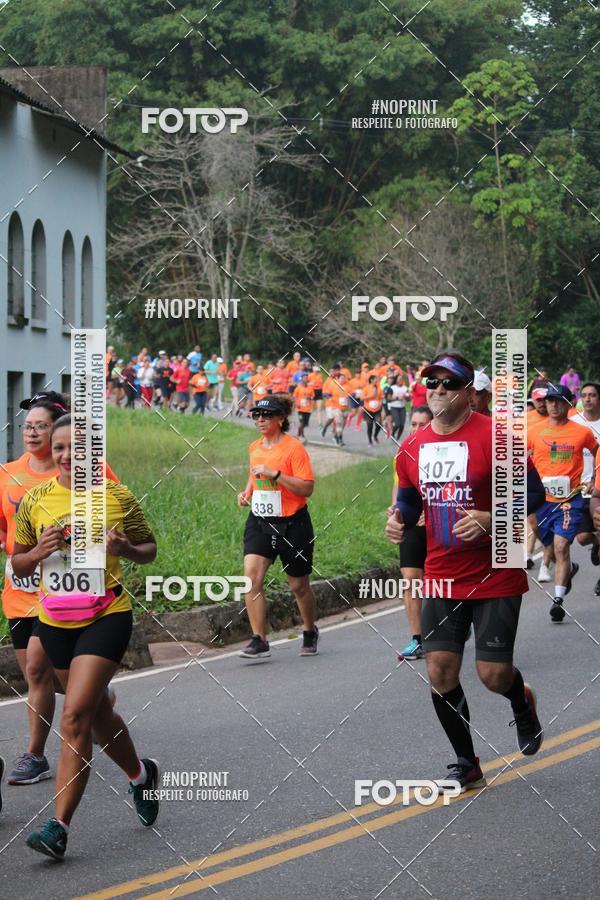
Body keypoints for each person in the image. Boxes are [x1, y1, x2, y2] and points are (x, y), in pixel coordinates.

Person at [386, 351, 546, 791]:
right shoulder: (413, 446)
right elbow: (408, 499)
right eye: (431, 383)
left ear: (469, 392)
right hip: (441, 572)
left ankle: (521, 699)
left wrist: (493, 518)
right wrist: (397, 518)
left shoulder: (498, 437)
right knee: (439, 670)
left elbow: (534, 494)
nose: (437, 390)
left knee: (493, 675)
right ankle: (466, 762)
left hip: (495, 571)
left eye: (448, 383)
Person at [13, 414, 159, 859]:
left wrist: (125, 550)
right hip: (55, 621)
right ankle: (140, 776)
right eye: (59, 448)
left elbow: (149, 549)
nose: (66, 456)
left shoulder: (116, 496)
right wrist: (39, 551)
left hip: (106, 615)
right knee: (95, 717)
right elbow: (18, 564)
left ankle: (58, 828)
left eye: (77, 450)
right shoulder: (35, 500)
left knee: (74, 717)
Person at [0, 395, 121, 788]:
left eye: (40, 426)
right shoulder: (8, 473)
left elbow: (114, 511)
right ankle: (96, 702)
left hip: (71, 593)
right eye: (27, 426)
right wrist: (19, 549)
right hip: (22, 587)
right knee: (42, 674)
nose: (31, 432)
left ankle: (35, 754)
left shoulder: (90, 472)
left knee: (38, 664)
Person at [237, 396, 319, 659]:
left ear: (281, 419)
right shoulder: (254, 447)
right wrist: (247, 492)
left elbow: (307, 488)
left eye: (266, 415)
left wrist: (277, 476)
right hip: (261, 521)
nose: (260, 420)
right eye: (256, 415)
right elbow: (254, 473)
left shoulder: (294, 449)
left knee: (299, 586)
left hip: (293, 523)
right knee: (251, 577)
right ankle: (259, 639)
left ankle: (309, 629)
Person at [528, 384, 598, 622]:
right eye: (550, 401)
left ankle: (557, 601)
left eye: (559, 401)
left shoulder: (582, 432)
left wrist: (595, 479)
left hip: (569, 499)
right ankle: (569, 569)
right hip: (540, 501)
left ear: (569, 404)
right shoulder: (534, 431)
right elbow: (519, 459)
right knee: (547, 542)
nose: (553, 405)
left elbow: (597, 451)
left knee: (561, 546)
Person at [388, 405, 433, 660]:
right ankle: (417, 639)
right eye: (413, 425)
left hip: (443, 523)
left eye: (422, 425)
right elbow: (399, 489)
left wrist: (435, 512)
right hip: (413, 523)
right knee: (411, 578)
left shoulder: (445, 451)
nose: (415, 430)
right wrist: (396, 511)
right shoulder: (404, 451)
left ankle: (458, 621)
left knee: (442, 581)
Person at [571, 382, 600, 593]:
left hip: (598, 488)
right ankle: (597, 543)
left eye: (592, 395)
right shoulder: (574, 423)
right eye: (584, 395)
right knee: (581, 538)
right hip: (578, 490)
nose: (588, 399)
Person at [294, 372, 315, 442]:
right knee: (301, 423)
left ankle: (301, 435)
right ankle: (299, 435)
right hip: (300, 409)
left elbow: (313, 397)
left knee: (305, 424)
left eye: (307, 378)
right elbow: (295, 397)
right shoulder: (298, 387)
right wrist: (297, 404)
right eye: (304, 378)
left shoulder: (310, 388)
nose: (306, 379)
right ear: (302, 379)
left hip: (308, 409)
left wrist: (309, 397)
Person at [363, 375, 383, 446]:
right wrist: (371, 396)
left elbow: (381, 397)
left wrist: (380, 403)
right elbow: (362, 398)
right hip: (368, 409)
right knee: (369, 425)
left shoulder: (379, 388)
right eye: (375, 379)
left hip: (377, 410)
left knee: (379, 424)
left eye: (376, 379)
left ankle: (375, 436)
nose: (376, 380)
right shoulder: (366, 388)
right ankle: (370, 441)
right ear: (371, 380)